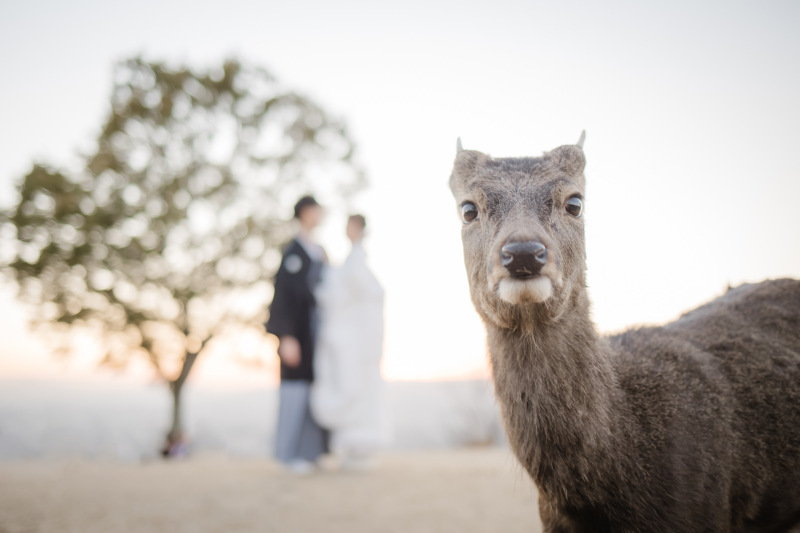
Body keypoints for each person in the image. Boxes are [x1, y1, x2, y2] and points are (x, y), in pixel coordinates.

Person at [311, 214, 387, 469]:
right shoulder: (352, 260)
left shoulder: (356, 260)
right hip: (352, 338)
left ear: (359, 229)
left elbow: (360, 292)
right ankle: (352, 448)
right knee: (351, 385)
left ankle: (360, 448)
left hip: (356, 339)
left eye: (350, 226)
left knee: (357, 388)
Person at [266, 195, 328, 474]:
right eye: (316, 210)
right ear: (305, 212)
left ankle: (310, 453)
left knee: (314, 392)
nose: (320, 215)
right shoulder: (293, 251)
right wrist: (285, 337)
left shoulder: (319, 251)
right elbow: (283, 297)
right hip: (298, 335)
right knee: (295, 391)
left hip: (318, 335)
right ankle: (288, 455)